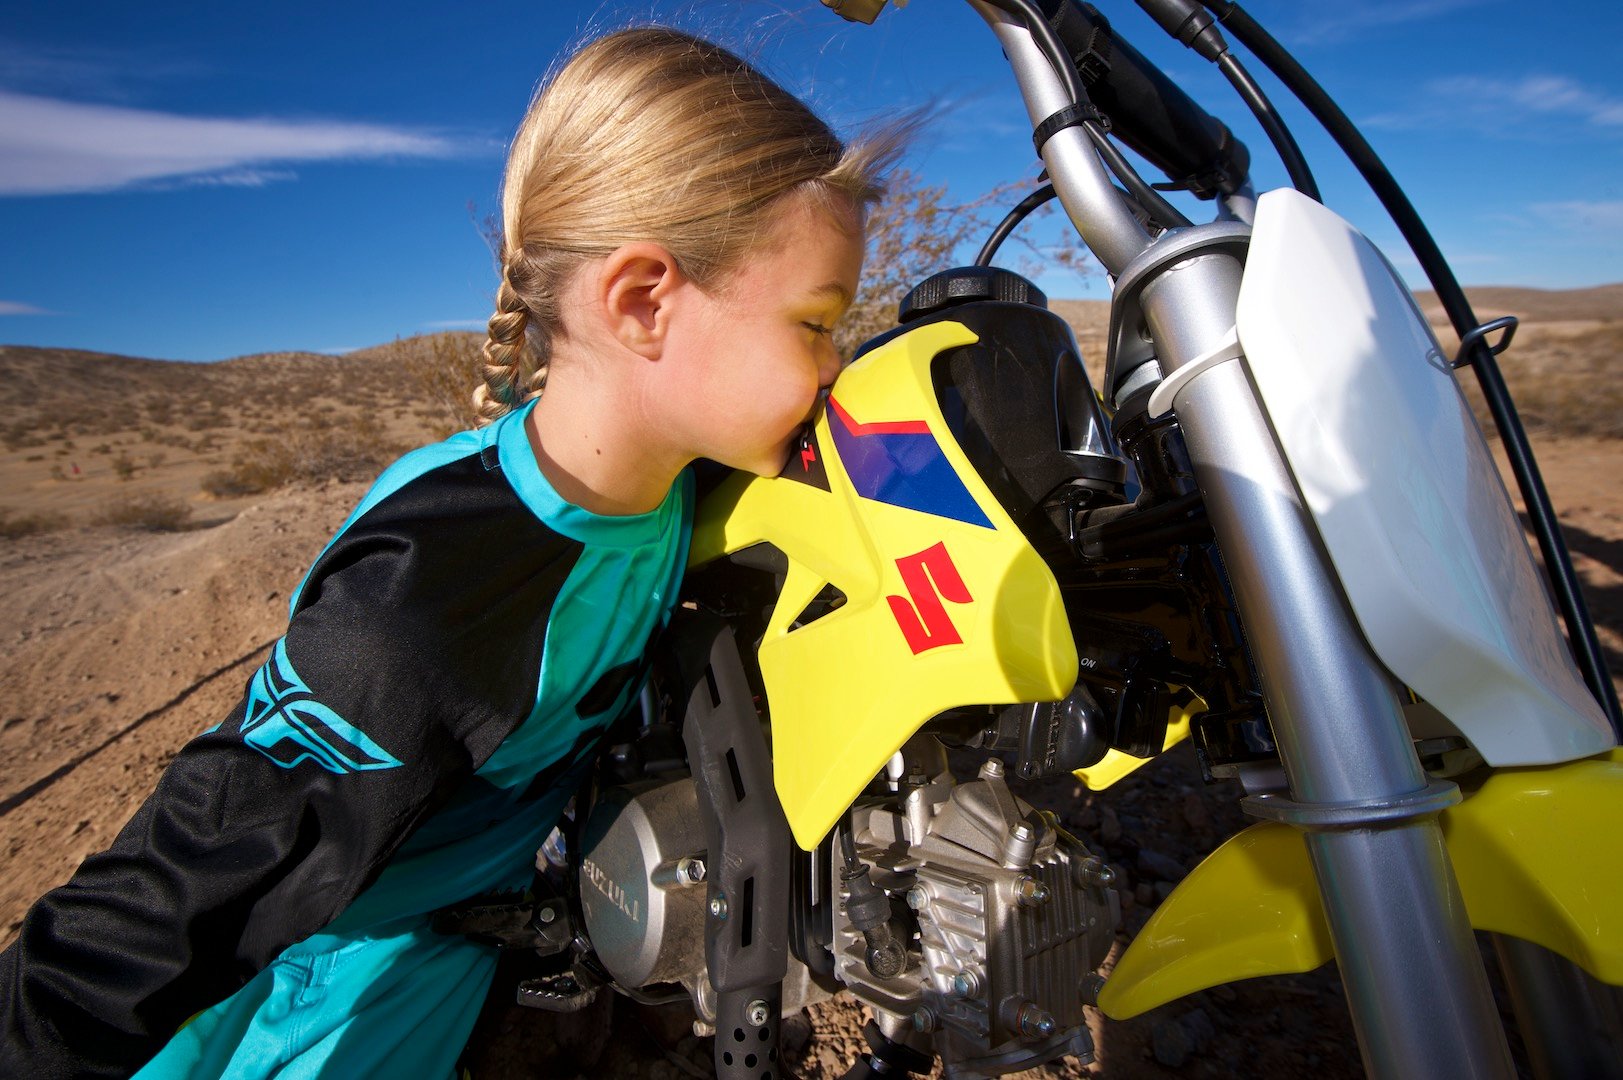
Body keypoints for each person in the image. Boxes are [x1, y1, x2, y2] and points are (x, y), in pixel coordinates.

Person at [0, 26, 898, 1079]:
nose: (834, 363)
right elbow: (186, 885)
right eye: (814, 321)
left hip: (467, 931)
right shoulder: (429, 606)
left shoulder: (664, 479)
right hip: (331, 986)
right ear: (644, 301)